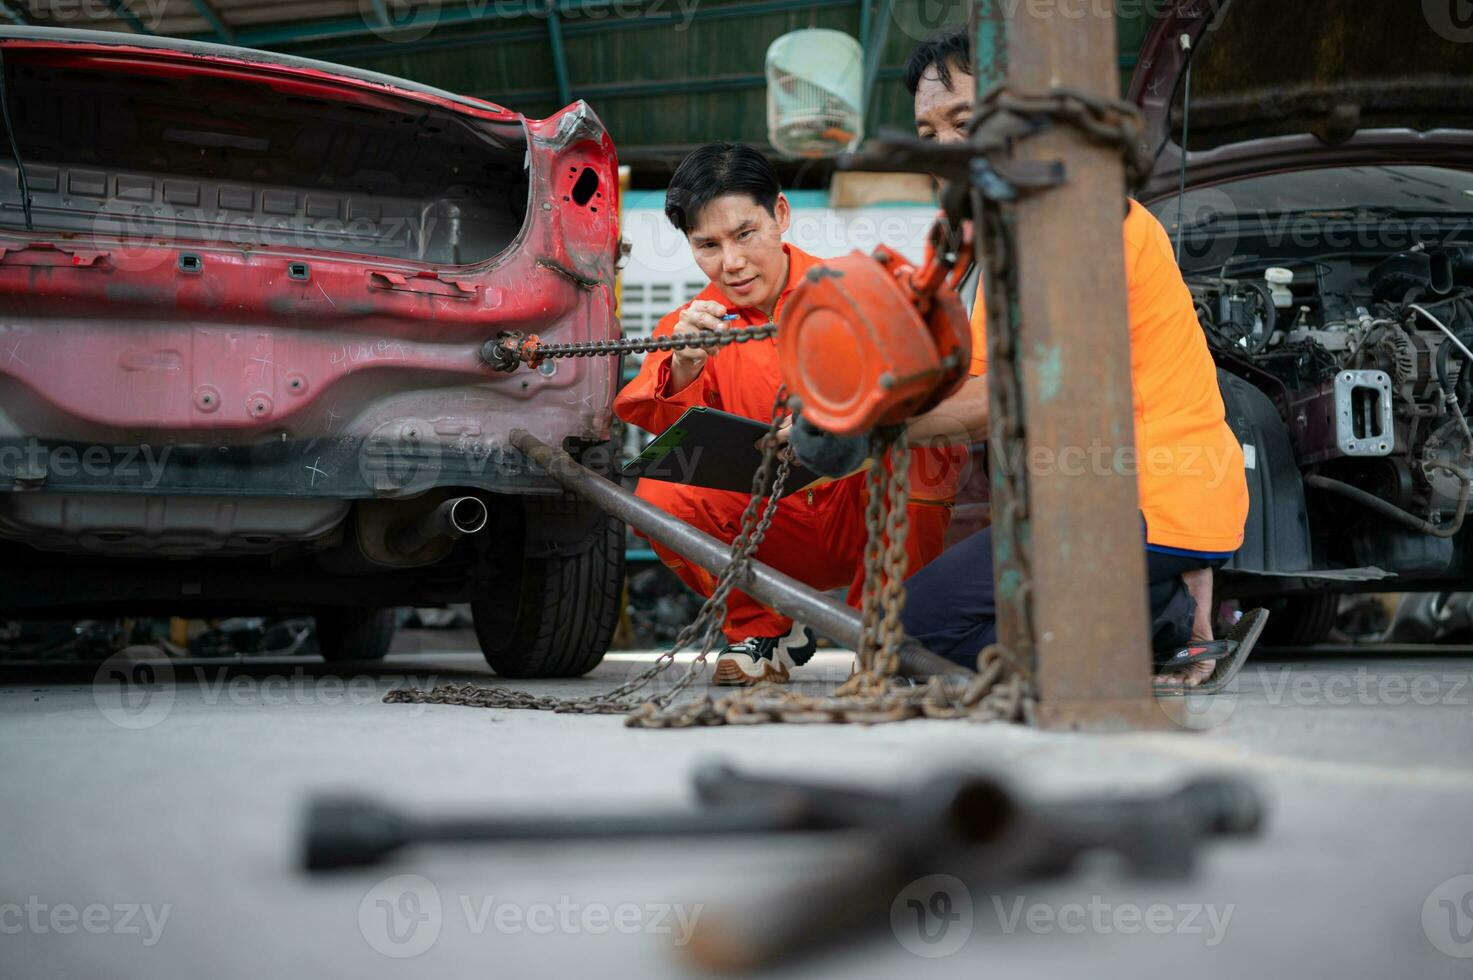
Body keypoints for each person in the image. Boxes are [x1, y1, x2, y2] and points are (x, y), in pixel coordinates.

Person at [879, 27, 1251, 687]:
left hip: (1147, 499)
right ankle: (1152, 614)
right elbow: (970, 386)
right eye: (928, 133)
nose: (943, 150)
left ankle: (1157, 623)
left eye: (963, 122)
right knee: (922, 629)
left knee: (915, 631)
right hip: (1121, 499)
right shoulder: (1015, 229)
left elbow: (1007, 396)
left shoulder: (1076, 222)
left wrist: (873, 428)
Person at [613, 142, 968, 686]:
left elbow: (923, 395)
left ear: (779, 214)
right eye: (707, 244)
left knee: (926, 452)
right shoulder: (690, 329)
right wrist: (682, 366)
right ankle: (764, 634)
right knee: (663, 492)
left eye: (744, 234)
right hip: (769, 529)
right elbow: (662, 429)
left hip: (861, 513)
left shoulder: (855, 295)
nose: (730, 262)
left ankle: (884, 635)